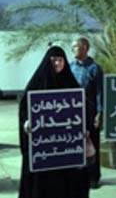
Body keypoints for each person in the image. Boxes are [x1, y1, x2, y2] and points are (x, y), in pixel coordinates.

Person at [18, 46, 89, 198]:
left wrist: (84, 128)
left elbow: (83, 110)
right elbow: (24, 109)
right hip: (44, 151)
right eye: (54, 60)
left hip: (66, 152)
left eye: (60, 60)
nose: (57, 63)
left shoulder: (71, 84)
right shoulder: (36, 85)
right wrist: (26, 123)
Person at [70, 37, 104, 188]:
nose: (73, 49)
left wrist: (100, 112)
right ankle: (79, 176)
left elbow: (100, 92)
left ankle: (93, 178)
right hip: (73, 114)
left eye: (76, 46)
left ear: (85, 48)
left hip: (90, 113)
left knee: (92, 146)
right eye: (72, 47)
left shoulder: (95, 68)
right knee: (76, 144)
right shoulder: (70, 67)